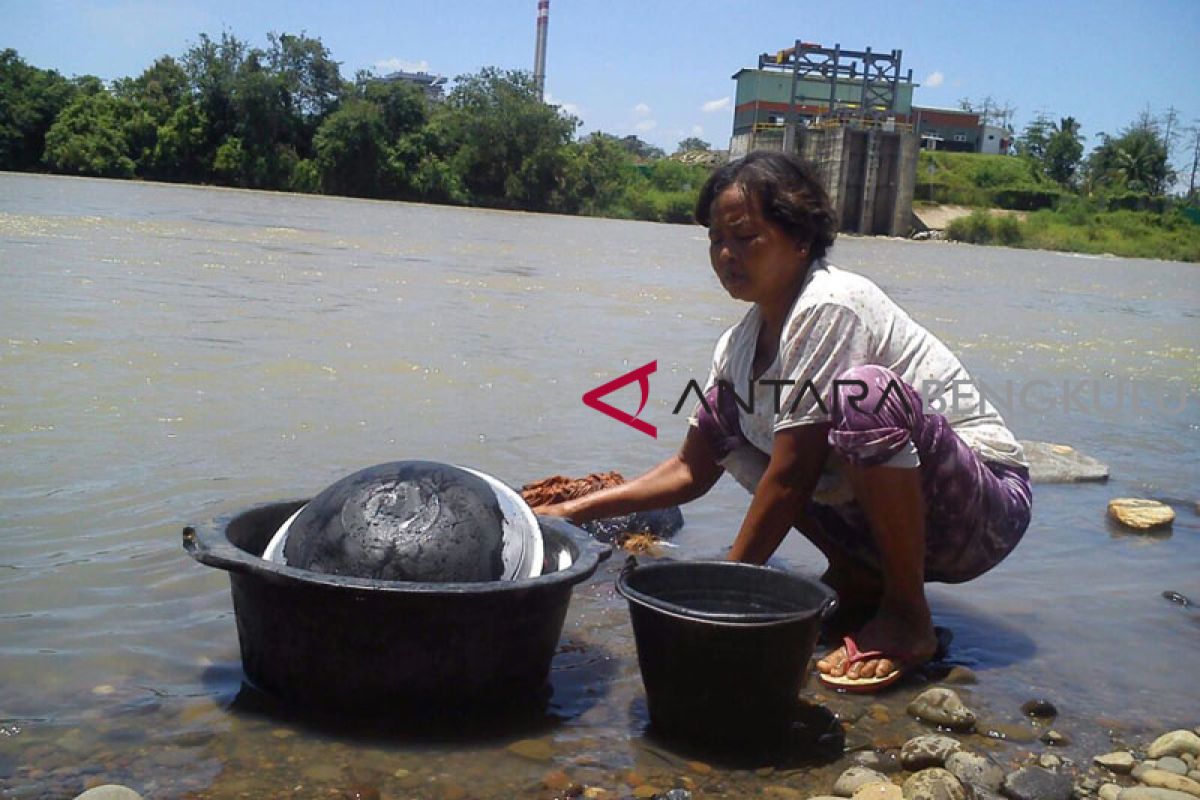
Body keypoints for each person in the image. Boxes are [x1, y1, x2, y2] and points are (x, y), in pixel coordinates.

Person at [534, 150, 1032, 693]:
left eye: (746, 237)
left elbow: (792, 476)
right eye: (715, 240)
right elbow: (689, 470)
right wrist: (568, 512)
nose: (727, 254)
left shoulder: (831, 304)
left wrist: (719, 593)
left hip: (983, 512)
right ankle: (859, 577)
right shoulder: (738, 344)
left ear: (799, 237)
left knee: (865, 396)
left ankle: (908, 615)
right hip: (903, 515)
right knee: (725, 415)